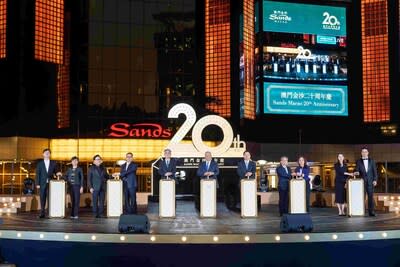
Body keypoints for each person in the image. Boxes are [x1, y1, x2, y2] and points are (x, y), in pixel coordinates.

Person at [35, 148, 61, 218]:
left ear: (50, 154)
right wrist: (37, 184)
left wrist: (58, 173)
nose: (47, 154)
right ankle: (42, 213)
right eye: (45, 153)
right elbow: (38, 174)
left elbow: (56, 171)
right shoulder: (40, 164)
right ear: (43, 154)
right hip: (42, 183)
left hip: (51, 183)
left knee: (51, 198)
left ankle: (50, 213)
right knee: (42, 198)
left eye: (48, 153)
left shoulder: (53, 163)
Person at [355, 147, 378, 216]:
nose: (364, 153)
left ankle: (371, 212)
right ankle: (362, 211)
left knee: (370, 197)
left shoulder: (372, 161)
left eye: (365, 152)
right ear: (361, 153)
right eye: (363, 152)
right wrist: (356, 172)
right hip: (362, 183)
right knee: (362, 197)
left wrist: (375, 180)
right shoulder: (358, 161)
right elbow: (357, 170)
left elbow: (375, 172)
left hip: (371, 182)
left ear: (368, 153)